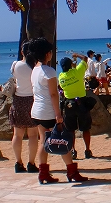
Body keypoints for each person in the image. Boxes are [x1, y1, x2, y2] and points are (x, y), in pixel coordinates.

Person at [28, 37, 87, 184]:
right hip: (48, 111)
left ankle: (43, 173)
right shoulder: (49, 71)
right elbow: (53, 94)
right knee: (62, 140)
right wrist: (58, 114)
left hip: (37, 110)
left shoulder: (35, 70)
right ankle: (72, 171)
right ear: (47, 54)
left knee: (43, 141)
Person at [58, 53, 96, 159]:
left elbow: (61, 87)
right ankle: (87, 150)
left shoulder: (61, 77)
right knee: (85, 129)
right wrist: (76, 55)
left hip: (69, 104)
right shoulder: (78, 72)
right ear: (71, 65)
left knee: (70, 130)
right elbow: (85, 58)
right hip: (81, 103)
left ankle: (73, 151)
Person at [9, 40, 39, 174]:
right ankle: (31, 163)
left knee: (17, 134)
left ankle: (18, 162)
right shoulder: (35, 66)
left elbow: (14, 77)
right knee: (33, 135)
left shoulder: (15, 65)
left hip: (18, 100)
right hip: (32, 100)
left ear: (22, 52)